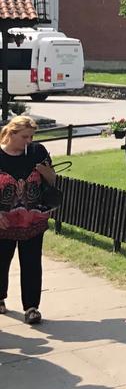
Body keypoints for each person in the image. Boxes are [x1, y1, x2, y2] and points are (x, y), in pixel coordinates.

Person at [0, 115, 56, 325]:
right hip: (4, 220)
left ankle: (32, 307)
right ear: (11, 133)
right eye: (25, 137)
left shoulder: (37, 152)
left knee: (32, 262)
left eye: (31, 136)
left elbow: (52, 180)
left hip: (33, 219)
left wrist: (45, 171)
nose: (29, 141)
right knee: (1, 260)